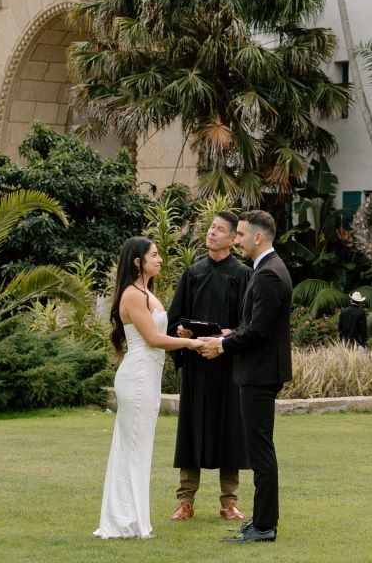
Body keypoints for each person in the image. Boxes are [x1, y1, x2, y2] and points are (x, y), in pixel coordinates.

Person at [196, 210, 291, 545]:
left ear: (258, 237)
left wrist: (222, 345)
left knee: (260, 451)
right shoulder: (265, 268)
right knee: (259, 448)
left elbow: (260, 333)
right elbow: (253, 326)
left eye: (239, 234)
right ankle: (261, 520)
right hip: (258, 371)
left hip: (259, 374)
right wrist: (229, 332)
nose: (236, 240)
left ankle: (265, 526)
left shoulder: (268, 274)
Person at [95, 237, 196, 540]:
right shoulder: (132, 295)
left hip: (147, 376)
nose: (161, 259)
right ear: (138, 261)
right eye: (154, 255)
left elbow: (159, 332)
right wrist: (191, 343)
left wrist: (182, 333)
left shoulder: (146, 292)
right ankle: (127, 520)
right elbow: (152, 339)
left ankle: (133, 518)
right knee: (134, 448)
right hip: (138, 377)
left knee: (139, 448)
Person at [169, 210, 252, 522]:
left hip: (228, 366)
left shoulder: (243, 275)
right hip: (196, 367)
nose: (212, 233)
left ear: (233, 238)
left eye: (220, 229)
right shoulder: (193, 273)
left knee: (230, 431)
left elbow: (249, 323)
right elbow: (174, 319)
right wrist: (181, 331)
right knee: (191, 431)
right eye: (211, 228)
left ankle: (229, 502)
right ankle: (185, 501)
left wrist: (228, 335)